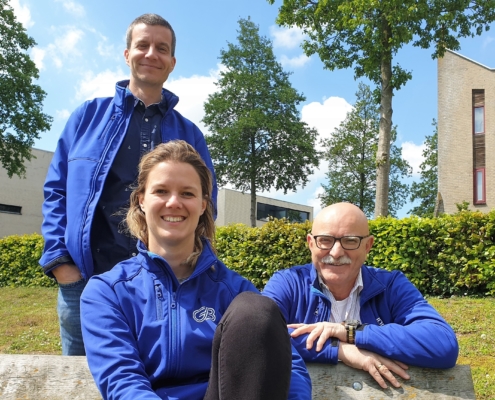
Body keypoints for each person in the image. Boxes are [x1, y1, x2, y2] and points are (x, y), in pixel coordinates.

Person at [39, 13, 217, 356]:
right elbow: (56, 191)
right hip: (83, 282)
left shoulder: (191, 134)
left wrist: (192, 268)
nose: (152, 54)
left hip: (164, 286)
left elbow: (206, 201)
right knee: (79, 380)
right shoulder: (86, 118)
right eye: (143, 45)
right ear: (127, 54)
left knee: (155, 378)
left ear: (172, 62)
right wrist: (62, 264)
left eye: (161, 48)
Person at [80, 140, 311, 400]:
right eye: (161, 191)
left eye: (187, 193)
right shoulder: (107, 292)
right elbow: (122, 381)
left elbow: (289, 365)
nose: (174, 202)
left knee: (256, 311)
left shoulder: (234, 291)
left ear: (203, 205)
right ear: (141, 200)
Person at [263, 202, 459, 389]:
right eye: (325, 240)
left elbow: (442, 344)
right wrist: (342, 350)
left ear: (368, 246)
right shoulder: (288, 282)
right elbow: (259, 336)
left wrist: (351, 332)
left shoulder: (390, 285)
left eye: (350, 241)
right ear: (311, 243)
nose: (336, 252)